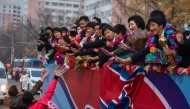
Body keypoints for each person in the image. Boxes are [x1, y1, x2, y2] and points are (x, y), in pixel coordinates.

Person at [115, 10, 182, 68]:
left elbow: (181, 48)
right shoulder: (153, 36)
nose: (130, 27)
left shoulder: (144, 33)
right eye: (129, 25)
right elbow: (143, 51)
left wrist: (173, 51)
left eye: (132, 24)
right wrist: (124, 60)